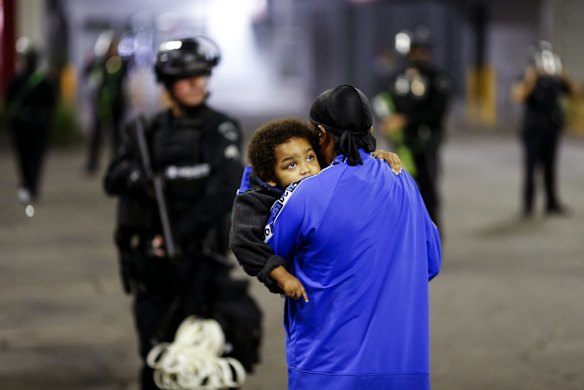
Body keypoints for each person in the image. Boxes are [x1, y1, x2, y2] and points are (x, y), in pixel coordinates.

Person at [103, 36, 257, 390]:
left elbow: (224, 191)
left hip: (201, 263)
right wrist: (135, 176)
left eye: (202, 76)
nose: (197, 84)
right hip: (154, 270)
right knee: (158, 362)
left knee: (208, 361)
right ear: (168, 84)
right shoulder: (148, 133)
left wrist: (179, 234)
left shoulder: (220, 128)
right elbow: (112, 179)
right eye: (187, 78)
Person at [263, 85, 441, 389]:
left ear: (321, 134)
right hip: (403, 370)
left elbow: (268, 256)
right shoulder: (404, 182)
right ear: (369, 130)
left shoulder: (308, 194)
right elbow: (430, 262)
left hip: (327, 371)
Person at [229, 117, 402, 301]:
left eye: (310, 157)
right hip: (301, 286)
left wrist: (375, 157)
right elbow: (243, 242)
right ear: (270, 176)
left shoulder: (320, 176)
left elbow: (350, 165)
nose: (306, 169)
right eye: (291, 165)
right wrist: (282, 276)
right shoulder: (254, 199)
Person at [374, 28, 451, 228]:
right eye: (415, 50)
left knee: (428, 190)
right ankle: (408, 234)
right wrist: (386, 120)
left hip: (426, 143)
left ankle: (432, 235)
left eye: (422, 50)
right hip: (401, 144)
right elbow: (383, 100)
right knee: (401, 191)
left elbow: (437, 111)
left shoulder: (437, 79)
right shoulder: (398, 77)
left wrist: (406, 119)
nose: (418, 55)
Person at [511, 41, 578, 217]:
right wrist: (532, 77)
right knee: (530, 168)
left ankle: (552, 203)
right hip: (532, 130)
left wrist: (562, 72)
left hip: (552, 129)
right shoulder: (526, 77)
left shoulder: (555, 79)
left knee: (550, 167)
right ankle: (528, 206)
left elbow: (574, 92)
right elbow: (518, 96)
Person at [5, 38, 57, 206]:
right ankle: (32, 186)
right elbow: (52, 102)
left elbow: (8, 101)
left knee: (23, 157)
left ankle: (26, 185)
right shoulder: (43, 80)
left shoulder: (17, 78)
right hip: (38, 124)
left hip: (21, 124)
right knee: (36, 157)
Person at [84, 34, 130, 175]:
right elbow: (88, 74)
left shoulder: (121, 63)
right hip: (102, 104)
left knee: (117, 135)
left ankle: (118, 162)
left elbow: (126, 77)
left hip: (117, 104)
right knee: (96, 134)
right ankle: (92, 164)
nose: (113, 50)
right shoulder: (101, 63)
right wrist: (89, 62)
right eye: (112, 47)